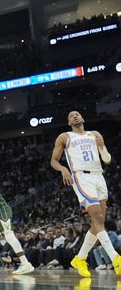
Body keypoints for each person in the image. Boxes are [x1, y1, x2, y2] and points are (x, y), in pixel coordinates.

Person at [50, 110, 120, 277]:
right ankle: (116, 258)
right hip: (81, 177)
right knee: (97, 218)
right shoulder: (65, 137)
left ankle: (80, 259)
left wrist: (102, 146)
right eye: (71, 115)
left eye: (77, 114)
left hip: (99, 176)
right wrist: (63, 169)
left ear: (83, 118)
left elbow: (108, 159)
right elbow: (53, 160)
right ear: (69, 122)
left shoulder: (94, 134)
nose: (74, 116)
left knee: (98, 224)